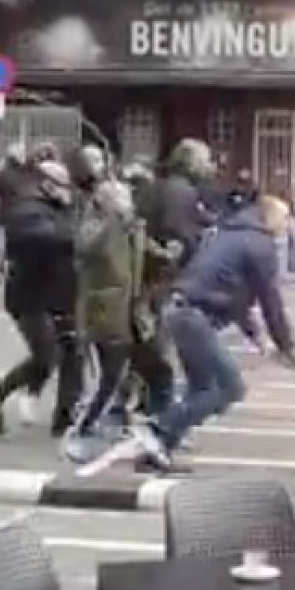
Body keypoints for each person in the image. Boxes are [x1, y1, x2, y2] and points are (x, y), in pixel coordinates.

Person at [112, 195, 295, 473]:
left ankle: (159, 449)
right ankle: (159, 429)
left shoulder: (230, 234)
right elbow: (269, 298)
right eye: (286, 218)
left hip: (179, 308)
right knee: (229, 386)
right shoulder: (260, 244)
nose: (288, 224)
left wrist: (258, 337)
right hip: (194, 315)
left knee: (202, 387)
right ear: (269, 216)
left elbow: (236, 296)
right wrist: (286, 346)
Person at [60, 178, 172, 463]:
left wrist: (169, 255)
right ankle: (80, 430)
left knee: (143, 370)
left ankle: (130, 423)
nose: (129, 205)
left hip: (130, 311)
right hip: (103, 311)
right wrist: (114, 220)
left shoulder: (133, 227)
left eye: (128, 199)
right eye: (122, 199)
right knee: (108, 376)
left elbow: (151, 254)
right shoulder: (94, 225)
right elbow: (86, 249)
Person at [0, 159, 81, 437]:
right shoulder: (26, 208)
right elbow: (43, 237)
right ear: (47, 184)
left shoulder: (55, 208)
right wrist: (73, 231)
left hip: (55, 292)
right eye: (61, 186)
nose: (66, 191)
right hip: (28, 296)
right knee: (48, 355)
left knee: (68, 351)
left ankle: (63, 414)